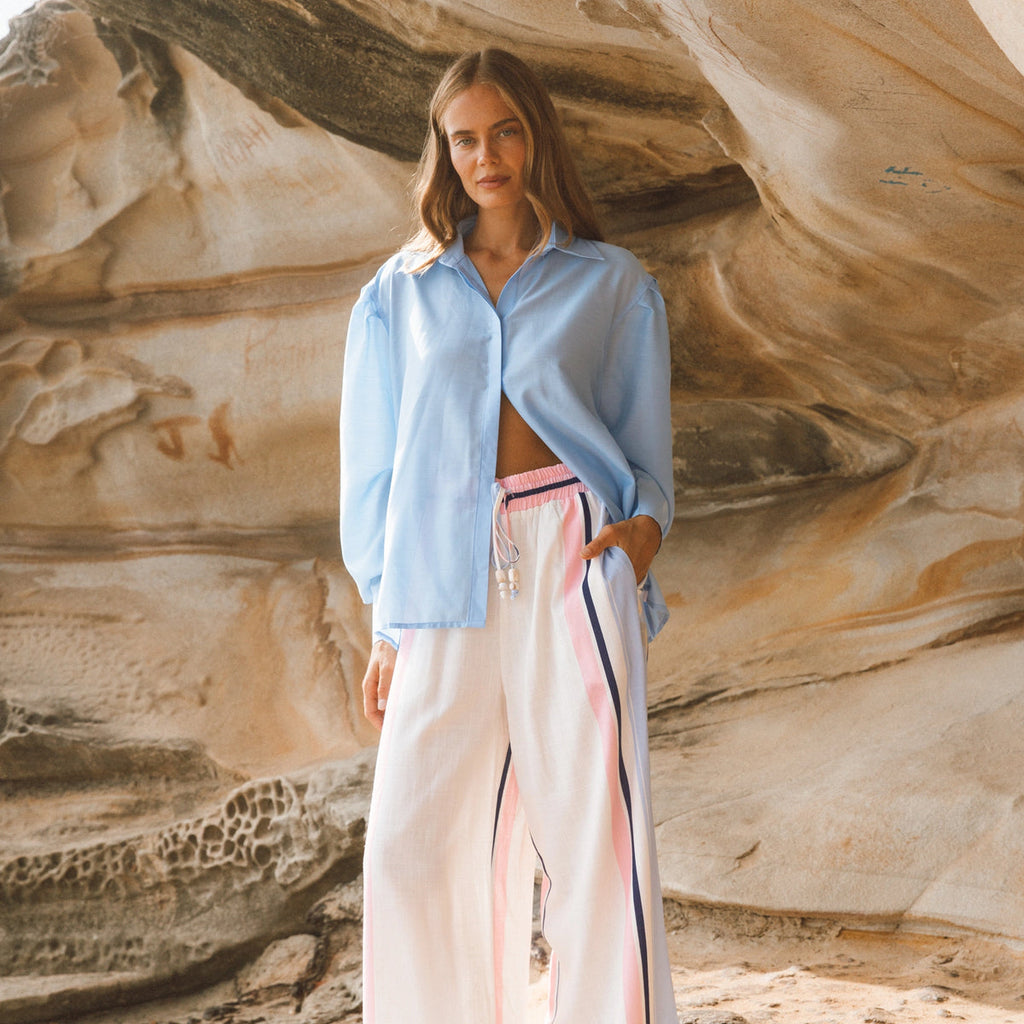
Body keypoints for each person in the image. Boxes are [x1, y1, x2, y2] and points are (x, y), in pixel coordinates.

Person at [340, 47, 678, 1024]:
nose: (484, 155)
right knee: (412, 841)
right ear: (442, 154)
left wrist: (639, 542)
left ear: (535, 137)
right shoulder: (396, 294)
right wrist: (384, 623)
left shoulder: (610, 283)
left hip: (573, 555)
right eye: (463, 139)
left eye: (504, 131)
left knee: (593, 837)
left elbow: (645, 449)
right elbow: (374, 473)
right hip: (438, 571)